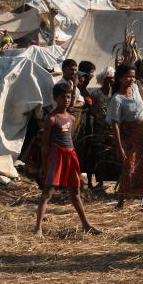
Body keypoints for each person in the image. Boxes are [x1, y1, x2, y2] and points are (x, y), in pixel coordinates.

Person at [34, 82, 99, 237]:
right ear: (56, 98)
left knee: (75, 191)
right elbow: (44, 145)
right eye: (63, 97)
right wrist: (44, 165)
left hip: (70, 155)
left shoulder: (70, 118)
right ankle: (38, 228)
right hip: (57, 156)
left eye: (69, 96)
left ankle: (86, 224)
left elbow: (69, 139)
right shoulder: (52, 119)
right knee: (48, 191)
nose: (67, 99)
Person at [106, 64, 143, 211]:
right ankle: (121, 202)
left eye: (133, 76)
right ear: (120, 78)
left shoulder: (135, 89)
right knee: (129, 167)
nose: (132, 79)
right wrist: (119, 146)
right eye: (128, 76)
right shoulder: (117, 99)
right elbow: (115, 124)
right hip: (130, 136)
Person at [85, 67, 116, 189]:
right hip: (99, 129)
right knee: (98, 153)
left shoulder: (115, 94)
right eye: (109, 79)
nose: (111, 81)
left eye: (112, 79)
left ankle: (106, 179)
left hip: (112, 128)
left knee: (109, 154)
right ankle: (98, 181)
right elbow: (92, 112)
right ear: (104, 80)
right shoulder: (96, 94)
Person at [58, 59, 85, 137]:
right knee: (64, 140)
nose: (73, 72)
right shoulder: (60, 85)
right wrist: (75, 86)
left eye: (75, 70)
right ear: (63, 70)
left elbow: (82, 102)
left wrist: (73, 106)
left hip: (74, 119)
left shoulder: (73, 84)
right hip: (63, 120)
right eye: (71, 69)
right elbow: (69, 104)